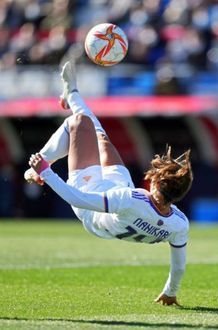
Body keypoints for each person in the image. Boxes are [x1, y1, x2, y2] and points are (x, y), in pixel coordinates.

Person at [24, 61, 193, 306]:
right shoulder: (179, 223)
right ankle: (71, 93)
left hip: (91, 205)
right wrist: (170, 292)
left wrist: (45, 172)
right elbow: (179, 266)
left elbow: (77, 199)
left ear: (155, 184)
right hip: (117, 199)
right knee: (99, 134)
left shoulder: (131, 199)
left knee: (79, 123)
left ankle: (34, 169)